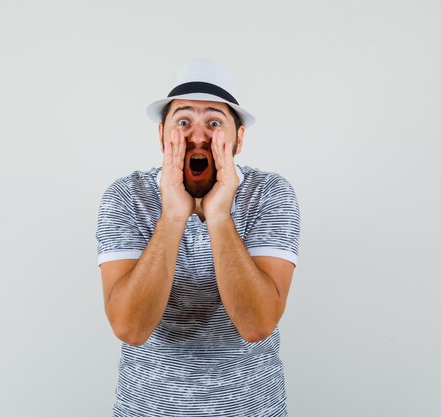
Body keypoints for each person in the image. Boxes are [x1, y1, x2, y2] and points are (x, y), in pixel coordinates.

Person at [95, 58, 300, 417]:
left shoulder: (270, 193)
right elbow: (129, 327)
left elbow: (257, 324)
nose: (199, 135)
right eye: (184, 121)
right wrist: (173, 216)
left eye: (215, 123)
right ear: (161, 134)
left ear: (239, 138)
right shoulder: (126, 196)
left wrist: (219, 215)